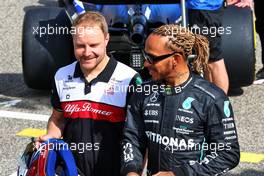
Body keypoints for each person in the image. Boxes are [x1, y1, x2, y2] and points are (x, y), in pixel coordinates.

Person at [120, 24, 240, 176]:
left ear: (175, 59)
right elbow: (132, 139)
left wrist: (178, 174)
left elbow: (228, 154)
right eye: (145, 56)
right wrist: (131, 170)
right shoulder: (142, 92)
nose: (145, 64)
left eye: (152, 58)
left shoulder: (211, 98)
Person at [37, 11, 141, 176]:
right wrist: (51, 138)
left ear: (106, 39)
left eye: (93, 45)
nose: (86, 52)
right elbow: (58, 119)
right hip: (71, 171)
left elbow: (139, 135)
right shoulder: (61, 76)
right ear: (72, 42)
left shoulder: (129, 79)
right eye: (80, 46)